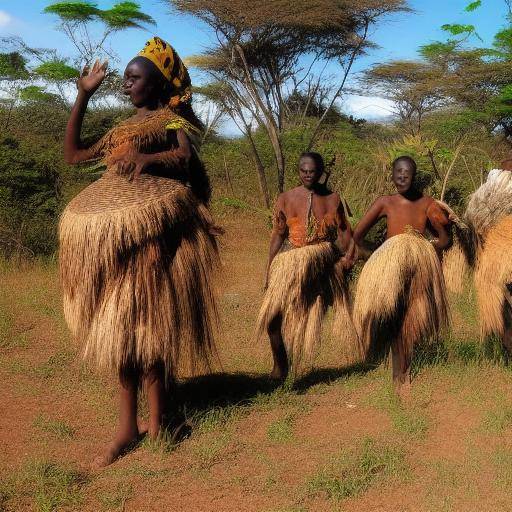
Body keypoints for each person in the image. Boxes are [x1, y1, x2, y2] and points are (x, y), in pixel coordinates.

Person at [59, 37, 219, 468]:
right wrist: (82, 95)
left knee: (150, 331)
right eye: (126, 78)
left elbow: (184, 157)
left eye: (134, 78)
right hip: (119, 245)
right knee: (121, 337)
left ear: (157, 85)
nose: (126, 85)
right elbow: (74, 156)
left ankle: (159, 421)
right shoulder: (119, 130)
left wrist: (148, 162)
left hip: (156, 244)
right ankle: (129, 427)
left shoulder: (170, 122)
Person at [352, 156, 450, 396]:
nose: (402, 177)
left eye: (407, 173)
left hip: (417, 267)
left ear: (414, 175)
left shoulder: (428, 204)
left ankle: (403, 373)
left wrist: (427, 248)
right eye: (398, 172)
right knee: (394, 317)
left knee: (410, 318)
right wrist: (378, 254)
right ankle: (397, 371)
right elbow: (357, 234)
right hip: (391, 268)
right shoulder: (385, 202)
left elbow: (444, 238)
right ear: (392, 174)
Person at [256, 152, 356, 380]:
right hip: (291, 260)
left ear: (320, 172)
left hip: (321, 260)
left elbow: (344, 232)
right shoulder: (286, 198)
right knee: (272, 319)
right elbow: (279, 234)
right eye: (304, 171)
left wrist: (347, 258)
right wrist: (270, 267)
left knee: (308, 312)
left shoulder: (333, 198)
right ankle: (280, 367)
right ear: (298, 171)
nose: (308, 175)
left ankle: (292, 364)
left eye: (312, 171)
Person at [444, 159, 512, 354]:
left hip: (496, 254)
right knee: (502, 306)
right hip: (495, 257)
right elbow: (477, 225)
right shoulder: (492, 191)